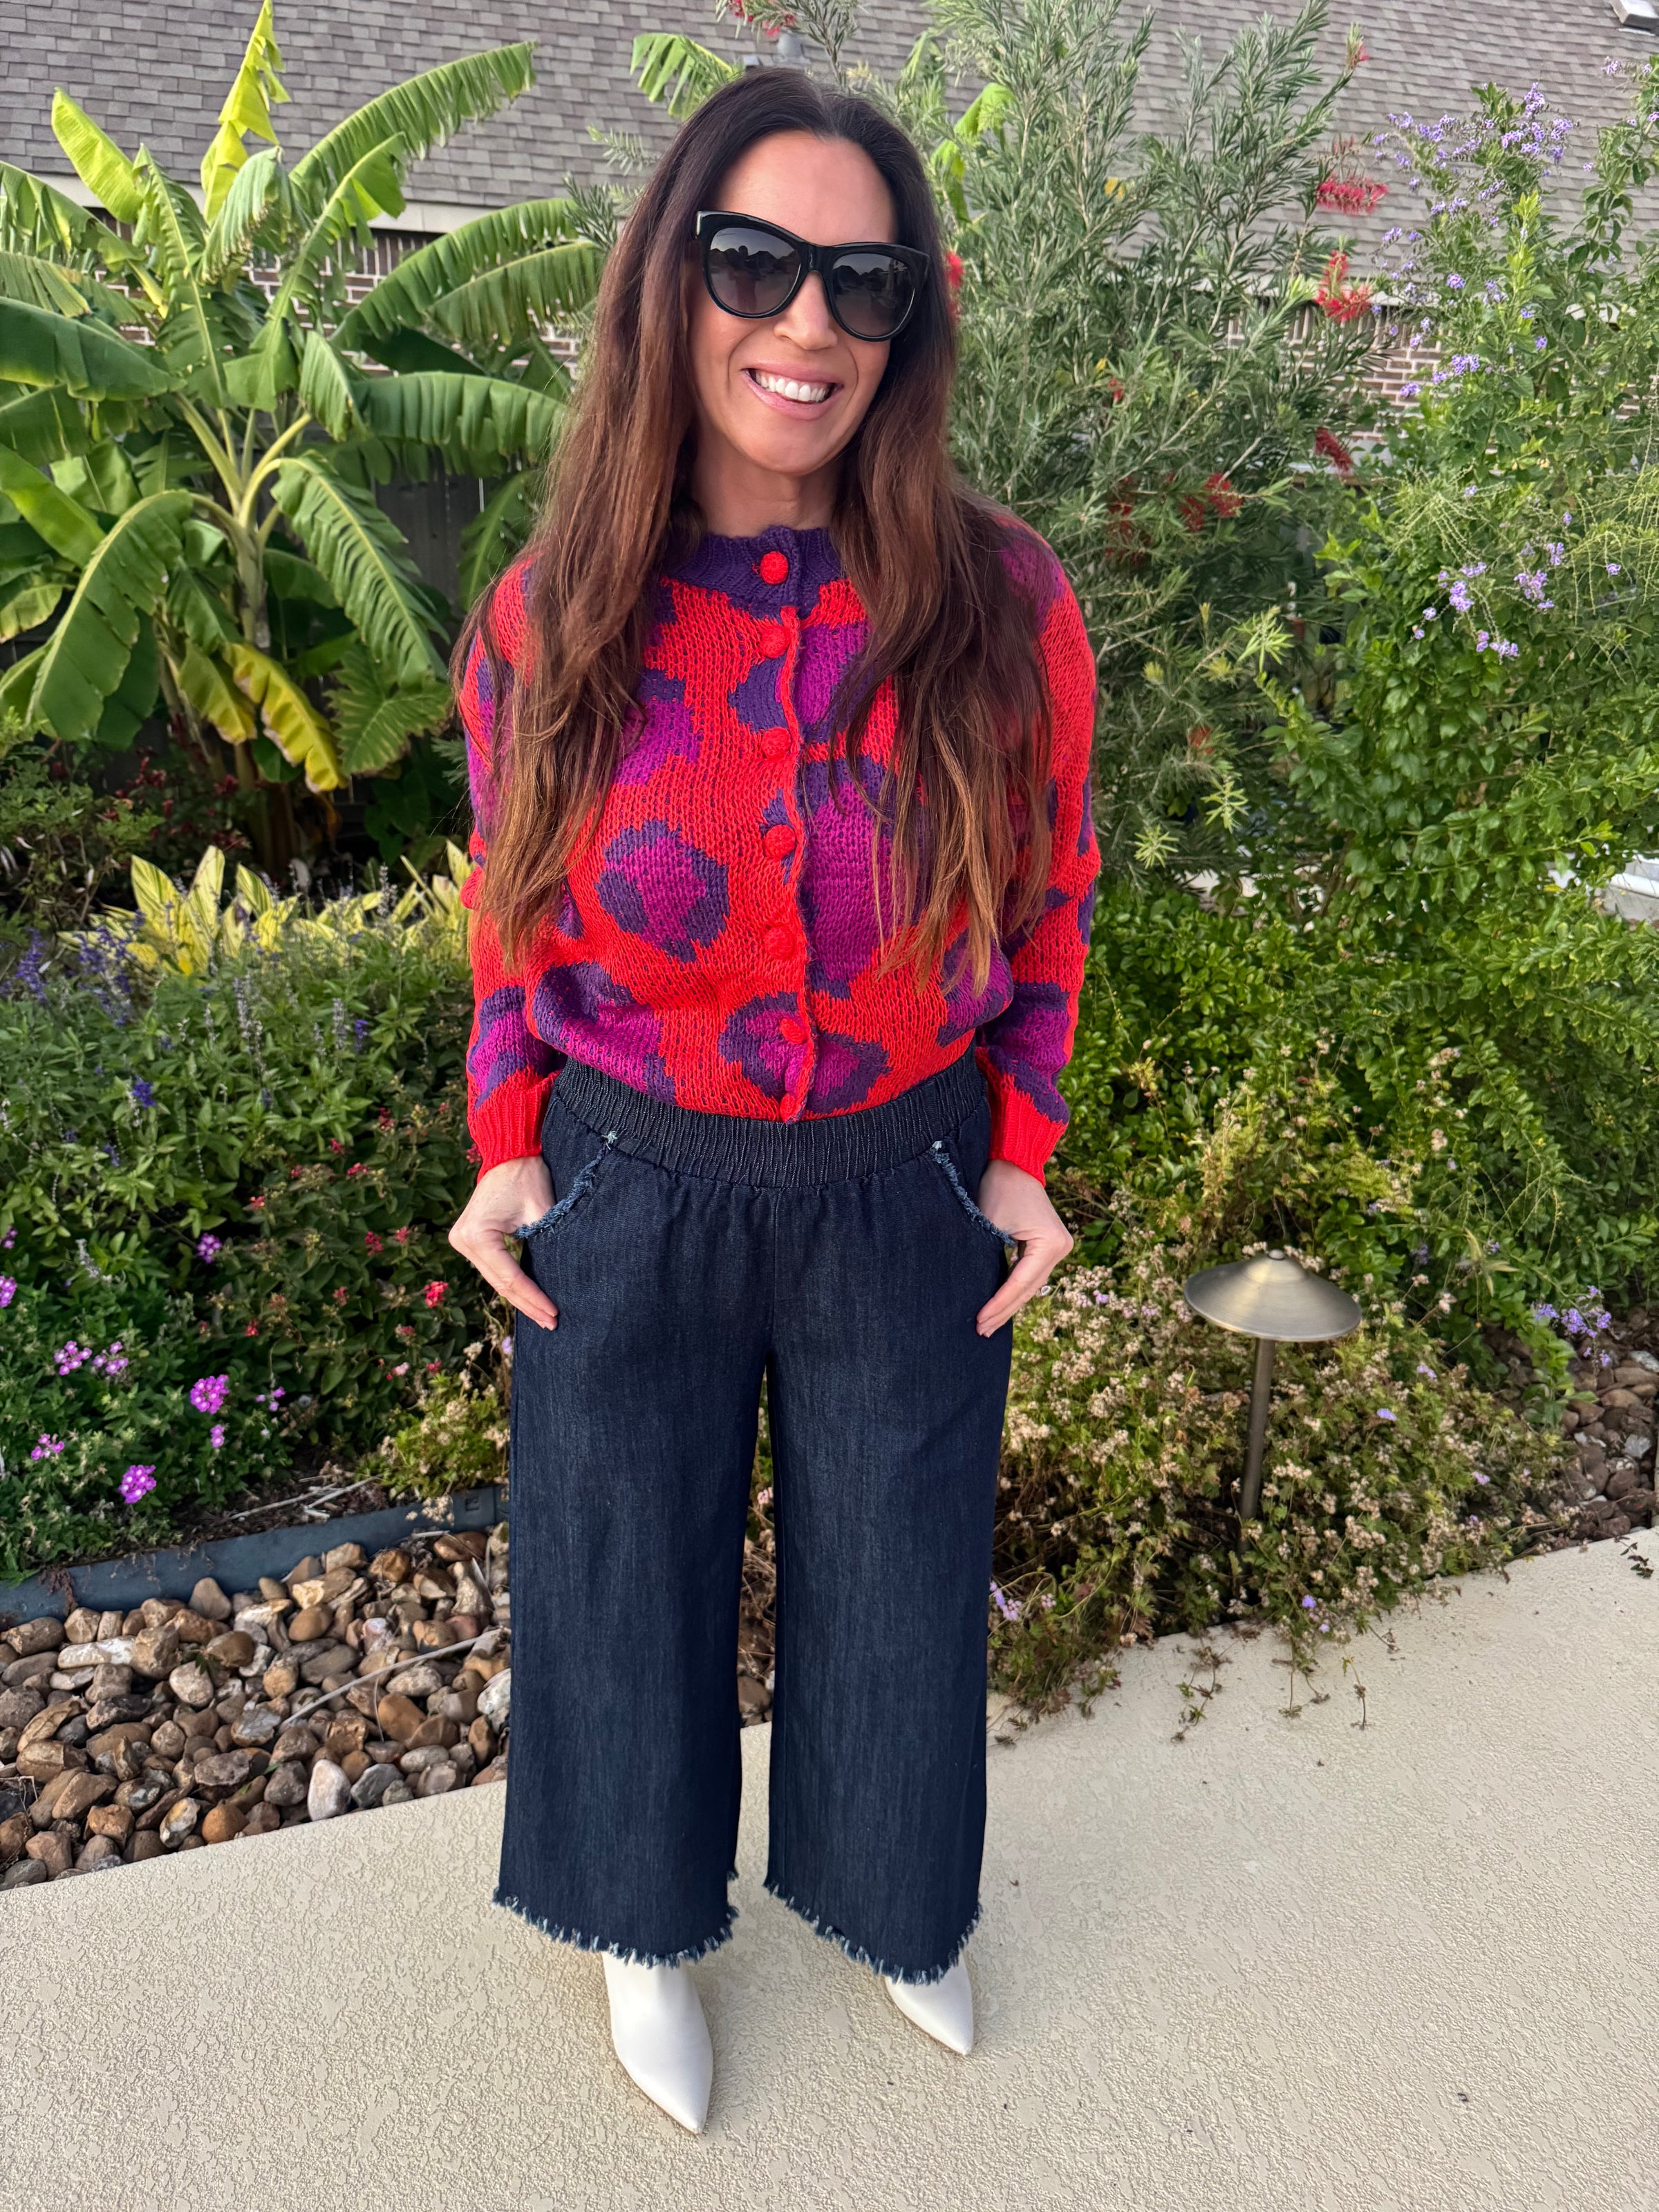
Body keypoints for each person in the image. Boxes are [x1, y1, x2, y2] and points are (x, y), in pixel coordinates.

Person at [447, 64, 1098, 2134]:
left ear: (907, 323)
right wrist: (505, 1150)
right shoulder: (553, 609)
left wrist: (1022, 1158)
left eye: (863, 282)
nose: (807, 322)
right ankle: (640, 1925)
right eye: (756, 263)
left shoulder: (1002, 605)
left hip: (904, 1175)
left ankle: (899, 1903)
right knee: (617, 1565)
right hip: (631, 1178)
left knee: (904, 1569)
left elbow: (1054, 888)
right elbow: (508, 907)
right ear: (673, 278)